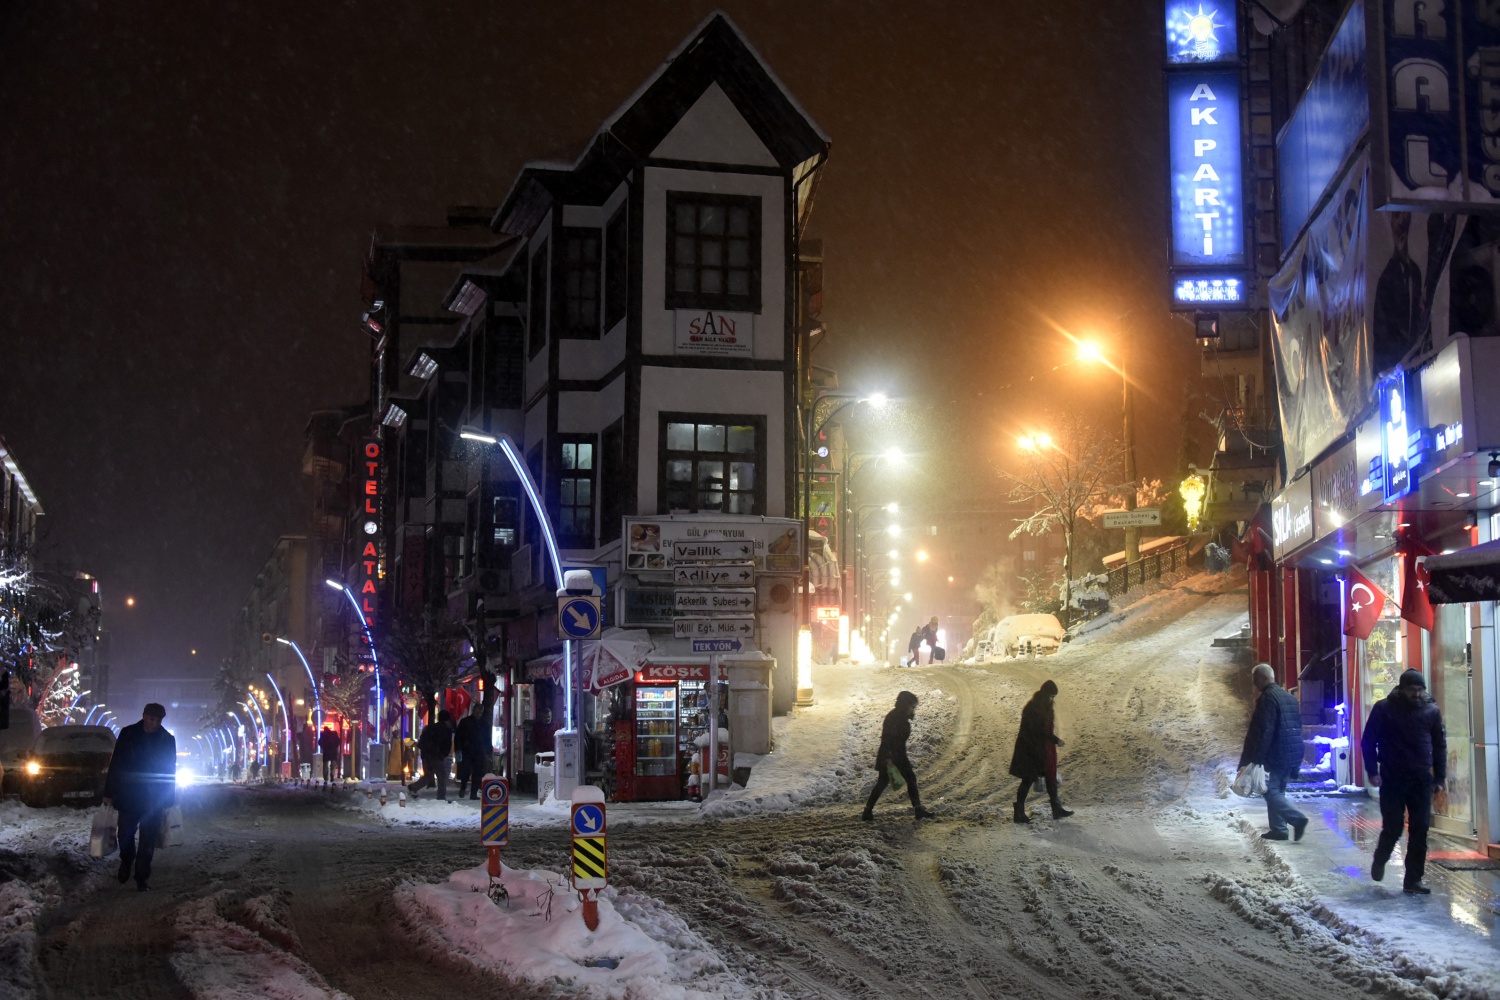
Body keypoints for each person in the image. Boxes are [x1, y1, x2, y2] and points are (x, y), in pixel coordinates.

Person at [1361, 669, 1446, 894]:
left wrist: (1440, 778)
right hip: (1393, 777)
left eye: (1420, 690)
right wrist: (1372, 770)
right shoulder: (1384, 709)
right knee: (1393, 826)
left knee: (1420, 829)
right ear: (1402, 688)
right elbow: (1368, 741)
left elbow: (1440, 745)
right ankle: (1380, 858)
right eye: (1412, 690)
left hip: (1420, 779)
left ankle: (1413, 881)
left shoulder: (1431, 711)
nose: (1417, 694)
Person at [102, 703, 176, 891]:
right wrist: (109, 792)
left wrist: (169, 798)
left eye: (158, 720)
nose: (154, 723)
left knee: (148, 840)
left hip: (154, 798)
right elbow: (116, 764)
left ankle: (142, 877)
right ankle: (127, 861)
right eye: (152, 719)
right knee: (125, 833)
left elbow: (170, 770)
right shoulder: (127, 734)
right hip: (129, 795)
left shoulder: (167, 739)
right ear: (144, 716)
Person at [1239, 662, 1308, 841]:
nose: (1254, 684)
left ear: (1263, 678)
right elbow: (1297, 726)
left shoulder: (1267, 699)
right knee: (1278, 790)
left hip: (1278, 752)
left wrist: (1255, 758)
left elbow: (1264, 731)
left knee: (1271, 792)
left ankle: (1296, 819)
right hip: (1292, 751)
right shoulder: (1289, 698)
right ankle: (1279, 829)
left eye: (1255, 680)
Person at [862, 691, 936, 821]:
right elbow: (888, 739)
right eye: (912, 707)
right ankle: (918, 810)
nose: (913, 710)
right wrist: (888, 757)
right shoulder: (895, 719)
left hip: (896, 755)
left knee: (885, 782)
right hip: (892, 756)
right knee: (901, 780)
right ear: (905, 705)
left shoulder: (898, 717)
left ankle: (867, 811)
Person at [1009, 680, 1072, 823]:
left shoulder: (1045, 707)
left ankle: (1056, 808)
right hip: (1029, 750)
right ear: (1045, 695)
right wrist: (1055, 740)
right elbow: (1038, 731)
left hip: (1040, 749)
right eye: (1051, 696)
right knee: (1027, 780)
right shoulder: (1033, 708)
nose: (1052, 700)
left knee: (1050, 777)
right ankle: (1019, 813)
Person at [408, 709, 454, 800]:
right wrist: (443, 755)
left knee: (429, 776)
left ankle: (413, 787)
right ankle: (441, 797)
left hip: (427, 756)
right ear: (447, 719)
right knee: (442, 777)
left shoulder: (430, 728)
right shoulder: (447, 730)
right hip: (437, 756)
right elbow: (447, 745)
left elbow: (422, 743)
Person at [457, 704, 493, 800]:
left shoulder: (484, 724)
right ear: (473, 710)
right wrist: (458, 749)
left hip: (479, 752)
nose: (478, 714)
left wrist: (489, 750)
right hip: (467, 751)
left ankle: (473, 793)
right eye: (477, 712)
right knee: (466, 771)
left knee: (477, 773)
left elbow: (488, 739)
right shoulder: (465, 722)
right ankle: (463, 787)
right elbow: (458, 737)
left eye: (480, 713)